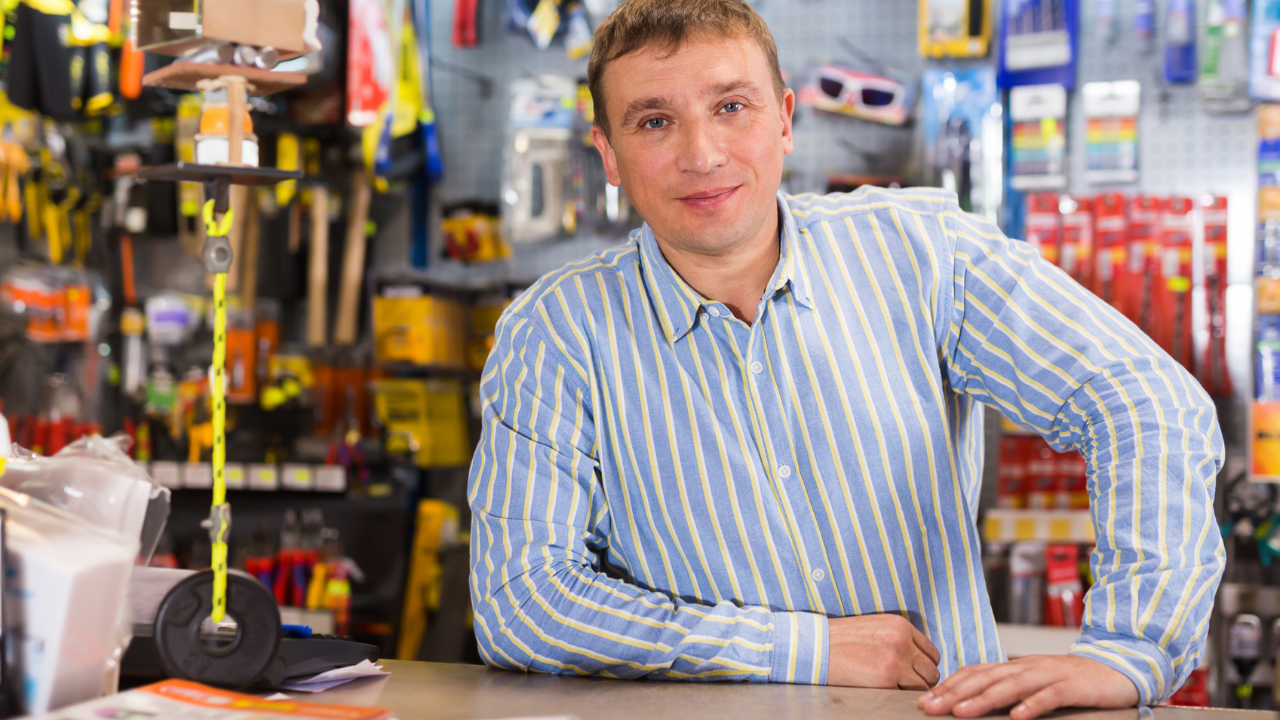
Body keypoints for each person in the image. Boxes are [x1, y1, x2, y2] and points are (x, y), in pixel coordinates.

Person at [467, 0, 1224, 717]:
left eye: (732, 107)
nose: (702, 154)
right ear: (609, 155)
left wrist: (1131, 649)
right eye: (655, 121)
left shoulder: (921, 249)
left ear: (786, 119)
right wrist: (801, 648)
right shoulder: (554, 334)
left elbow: (1143, 402)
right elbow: (522, 603)